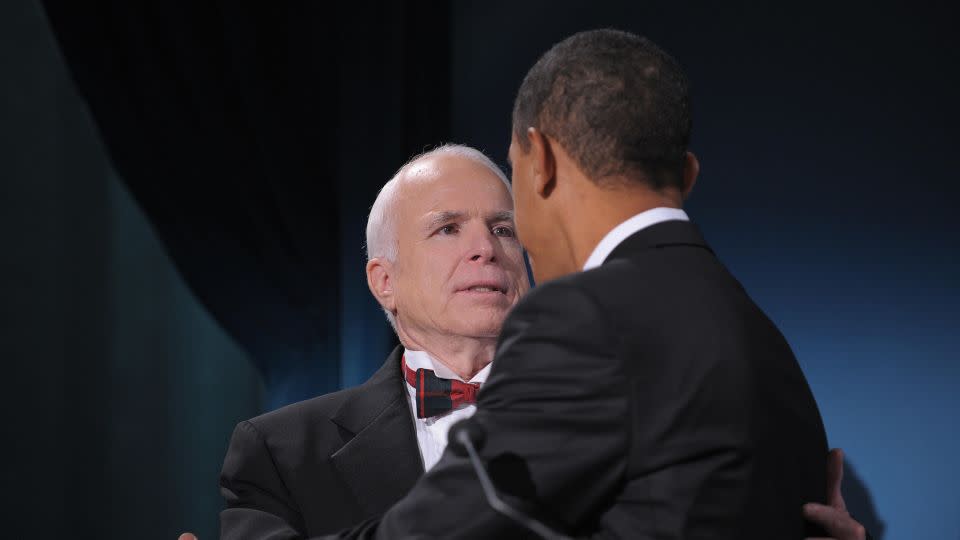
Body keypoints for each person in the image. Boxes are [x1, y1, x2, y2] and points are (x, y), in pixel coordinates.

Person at [286, 29, 866, 539]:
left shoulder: (581, 317)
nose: (488, 247)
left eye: (506, 213)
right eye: (447, 229)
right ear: (686, 176)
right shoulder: (763, 338)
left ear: (541, 161)